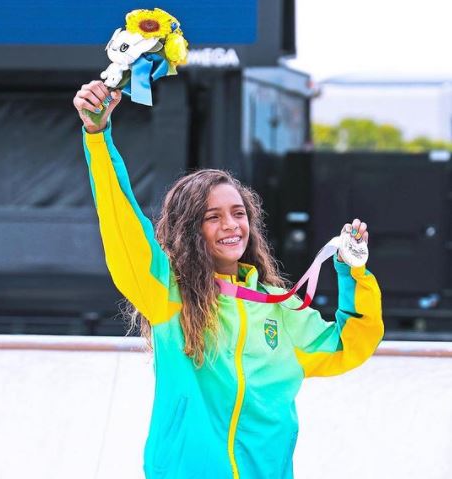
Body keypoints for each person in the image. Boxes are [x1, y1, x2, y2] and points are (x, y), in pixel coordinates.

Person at [73, 81, 384, 479]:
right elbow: (123, 226)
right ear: (189, 230)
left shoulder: (280, 306)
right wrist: (98, 138)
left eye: (238, 213)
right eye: (212, 216)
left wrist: (353, 272)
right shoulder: (168, 296)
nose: (231, 225)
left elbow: (349, 344)